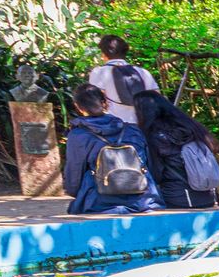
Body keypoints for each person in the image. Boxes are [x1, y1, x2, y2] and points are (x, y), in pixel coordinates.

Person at [63, 84, 161, 214]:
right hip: (143, 200)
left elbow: (74, 179)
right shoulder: (132, 130)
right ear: (105, 103)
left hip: (98, 202)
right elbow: (150, 166)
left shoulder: (78, 135)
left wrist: (78, 195)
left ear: (78, 106)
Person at [132, 88, 219, 209]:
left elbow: (156, 174)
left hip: (179, 199)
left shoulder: (155, 135)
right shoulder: (190, 127)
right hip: (208, 197)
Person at [88, 35, 158, 124]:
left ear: (104, 54)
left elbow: (95, 102)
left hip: (114, 127)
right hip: (143, 127)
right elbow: (157, 98)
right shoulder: (143, 72)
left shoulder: (99, 72)